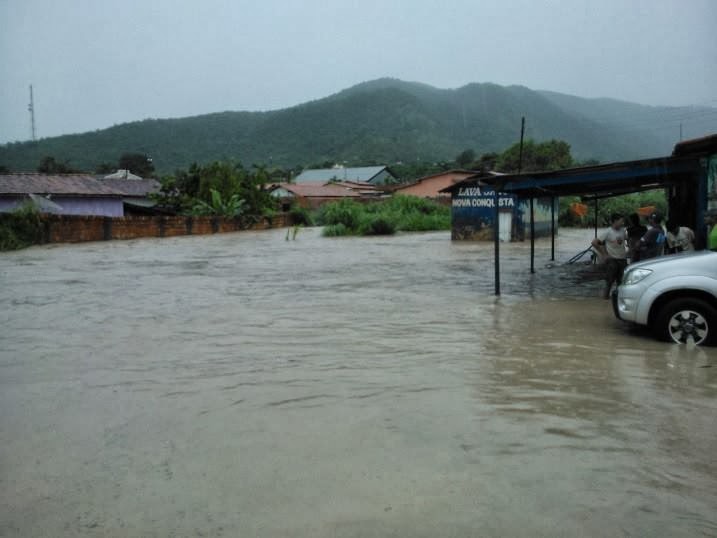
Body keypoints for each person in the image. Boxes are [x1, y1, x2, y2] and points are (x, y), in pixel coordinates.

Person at [591, 213, 627, 299]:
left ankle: (619, 299)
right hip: (612, 260)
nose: (622, 223)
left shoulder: (623, 230)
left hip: (622, 259)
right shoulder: (608, 231)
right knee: (609, 282)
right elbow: (594, 243)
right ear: (615, 221)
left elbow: (626, 240)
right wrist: (604, 255)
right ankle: (605, 299)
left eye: (623, 221)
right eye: (621, 221)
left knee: (622, 282)